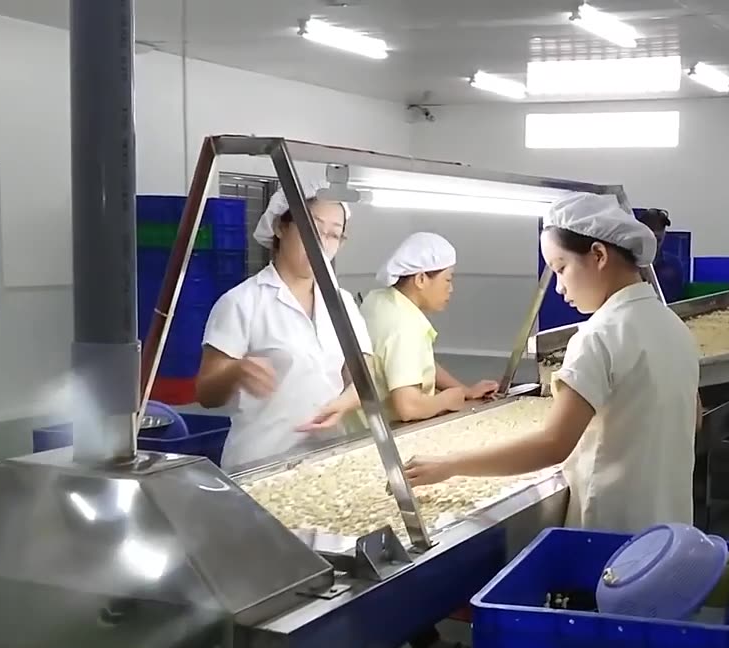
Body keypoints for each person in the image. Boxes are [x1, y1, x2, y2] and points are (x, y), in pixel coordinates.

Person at [404, 192, 702, 533]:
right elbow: (692, 419)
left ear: (598, 255)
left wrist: (450, 464)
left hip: (610, 538)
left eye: (561, 268)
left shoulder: (598, 337)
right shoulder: (673, 326)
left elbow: (553, 445)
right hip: (670, 535)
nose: (559, 287)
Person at [196, 184, 373, 469]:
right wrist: (235, 371)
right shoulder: (242, 302)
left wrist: (349, 400)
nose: (322, 243)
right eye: (312, 229)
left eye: (333, 234)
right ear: (281, 227)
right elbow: (206, 394)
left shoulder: (341, 302)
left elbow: (363, 371)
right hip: (259, 462)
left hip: (325, 459)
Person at [359, 232, 498, 423]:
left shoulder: (379, 300)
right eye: (448, 280)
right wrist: (445, 400)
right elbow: (408, 408)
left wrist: (466, 391)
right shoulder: (405, 326)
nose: (451, 289)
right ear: (421, 279)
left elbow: (417, 362)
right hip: (388, 433)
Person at [637, 208, 684, 303]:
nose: (655, 244)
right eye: (652, 238)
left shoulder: (672, 265)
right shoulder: (628, 264)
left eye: (658, 240)